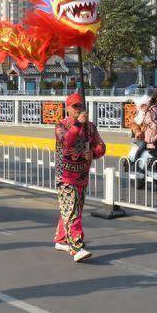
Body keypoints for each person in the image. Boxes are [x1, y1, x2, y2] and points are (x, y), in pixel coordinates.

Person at [53, 93, 106, 262]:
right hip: (66, 176)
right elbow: (67, 142)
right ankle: (77, 247)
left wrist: (94, 153)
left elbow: (101, 146)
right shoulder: (61, 126)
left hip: (82, 175)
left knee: (73, 209)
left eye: (80, 106)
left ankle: (61, 239)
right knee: (73, 212)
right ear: (67, 108)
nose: (78, 110)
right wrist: (78, 125)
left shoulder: (90, 127)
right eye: (74, 107)